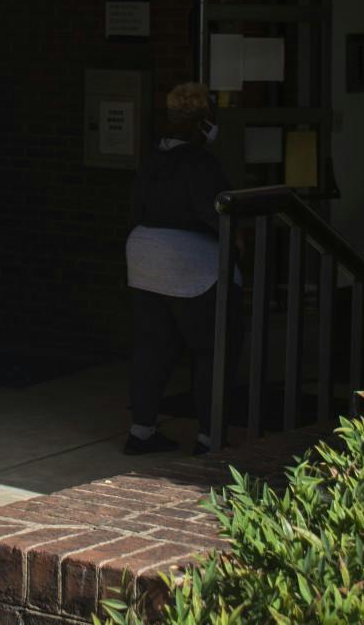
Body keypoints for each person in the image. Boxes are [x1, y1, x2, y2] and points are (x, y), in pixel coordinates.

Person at [124, 81, 233, 455]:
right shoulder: (201, 163)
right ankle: (209, 437)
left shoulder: (152, 157)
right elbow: (212, 212)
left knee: (152, 347)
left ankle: (141, 430)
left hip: (143, 257)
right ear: (202, 122)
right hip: (191, 262)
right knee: (211, 349)